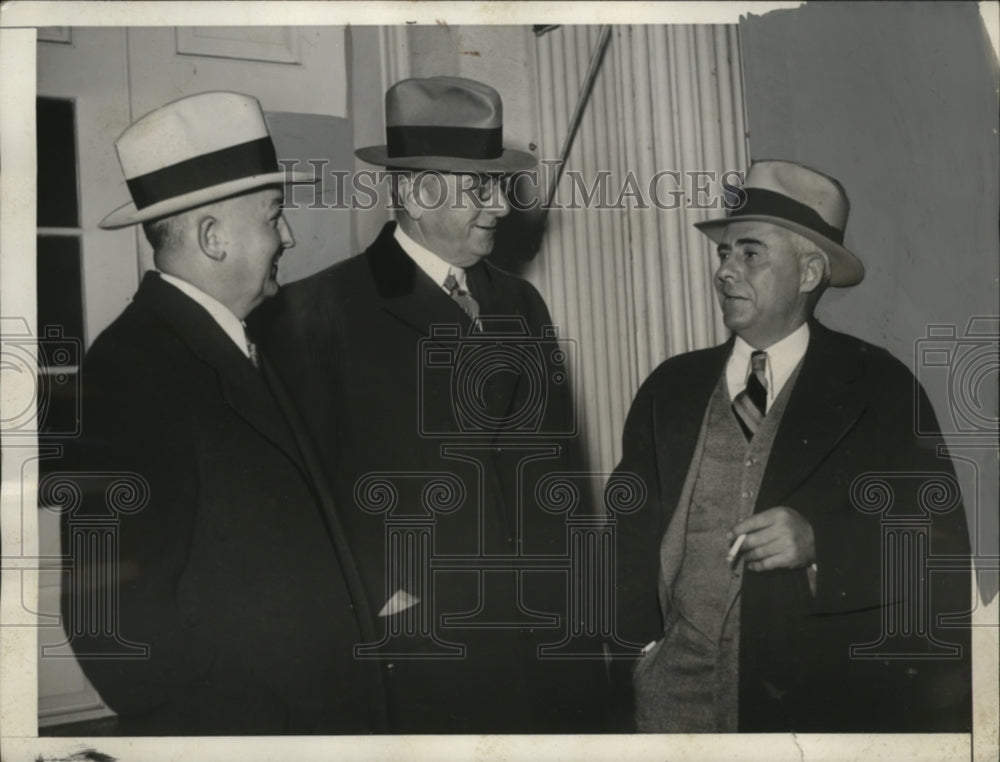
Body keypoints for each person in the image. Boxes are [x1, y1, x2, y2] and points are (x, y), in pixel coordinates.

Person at [250, 76, 612, 733]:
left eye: (501, 186)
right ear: (418, 194)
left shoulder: (521, 302)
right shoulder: (313, 314)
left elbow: (557, 473)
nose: (501, 207)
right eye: (481, 188)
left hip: (547, 638)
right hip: (422, 652)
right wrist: (381, 598)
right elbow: (296, 500)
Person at [57, 91, 387, 735]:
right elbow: (111, 625)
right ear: (213, 237)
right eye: (273, 216)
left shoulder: (239, 341)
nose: (288, 236)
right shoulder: (129, 371)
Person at [613, 160, 971, 732]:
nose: (725, 272)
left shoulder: (878, 386)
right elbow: (626, 530)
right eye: (724, 253)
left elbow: (940, 550)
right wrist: (639, 652)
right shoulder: (669, 387)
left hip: (808, 709)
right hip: (670, 703)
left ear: (809, 272)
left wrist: (820, 544)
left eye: (750, 254)